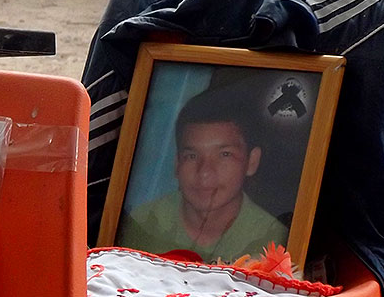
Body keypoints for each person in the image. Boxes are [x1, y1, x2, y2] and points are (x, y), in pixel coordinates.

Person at [118, 87, 289, 263]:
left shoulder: (272, 242)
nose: (205, 172)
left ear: (252, 162)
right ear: (177, 163)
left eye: (224, 155)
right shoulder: (144, 222)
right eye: (192, 156)